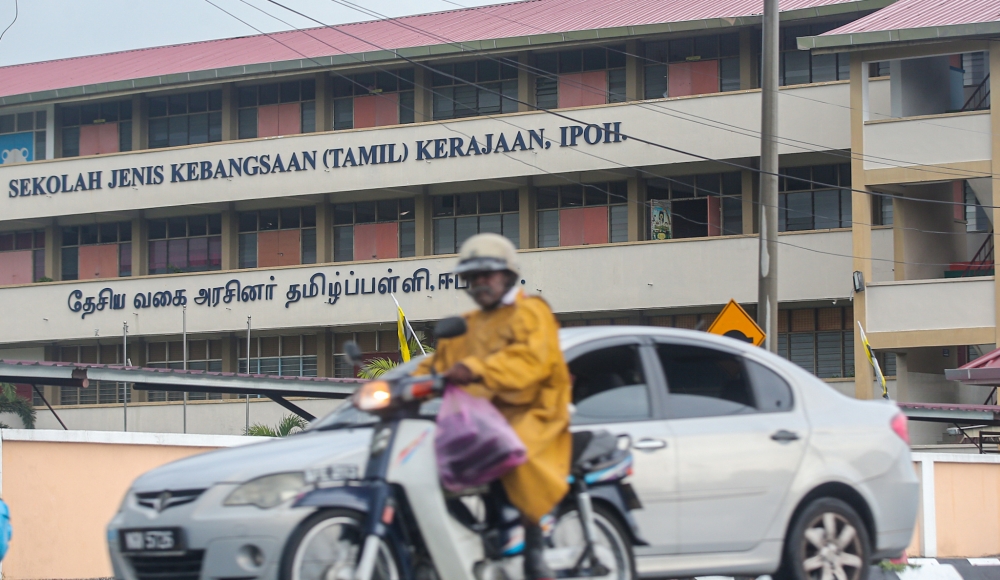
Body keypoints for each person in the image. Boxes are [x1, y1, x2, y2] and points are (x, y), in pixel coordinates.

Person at [416, 233, 572, 580]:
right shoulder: (468, 324)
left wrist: (476, 368)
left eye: (486, 274)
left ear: (506, 275)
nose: (479, 283)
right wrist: (394, 386)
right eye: (472, 277)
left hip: (534, 411)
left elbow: (530, 360)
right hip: (483, 418)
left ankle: (533, 550)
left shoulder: (531, 311)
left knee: (511, 452)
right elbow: (438, 365)